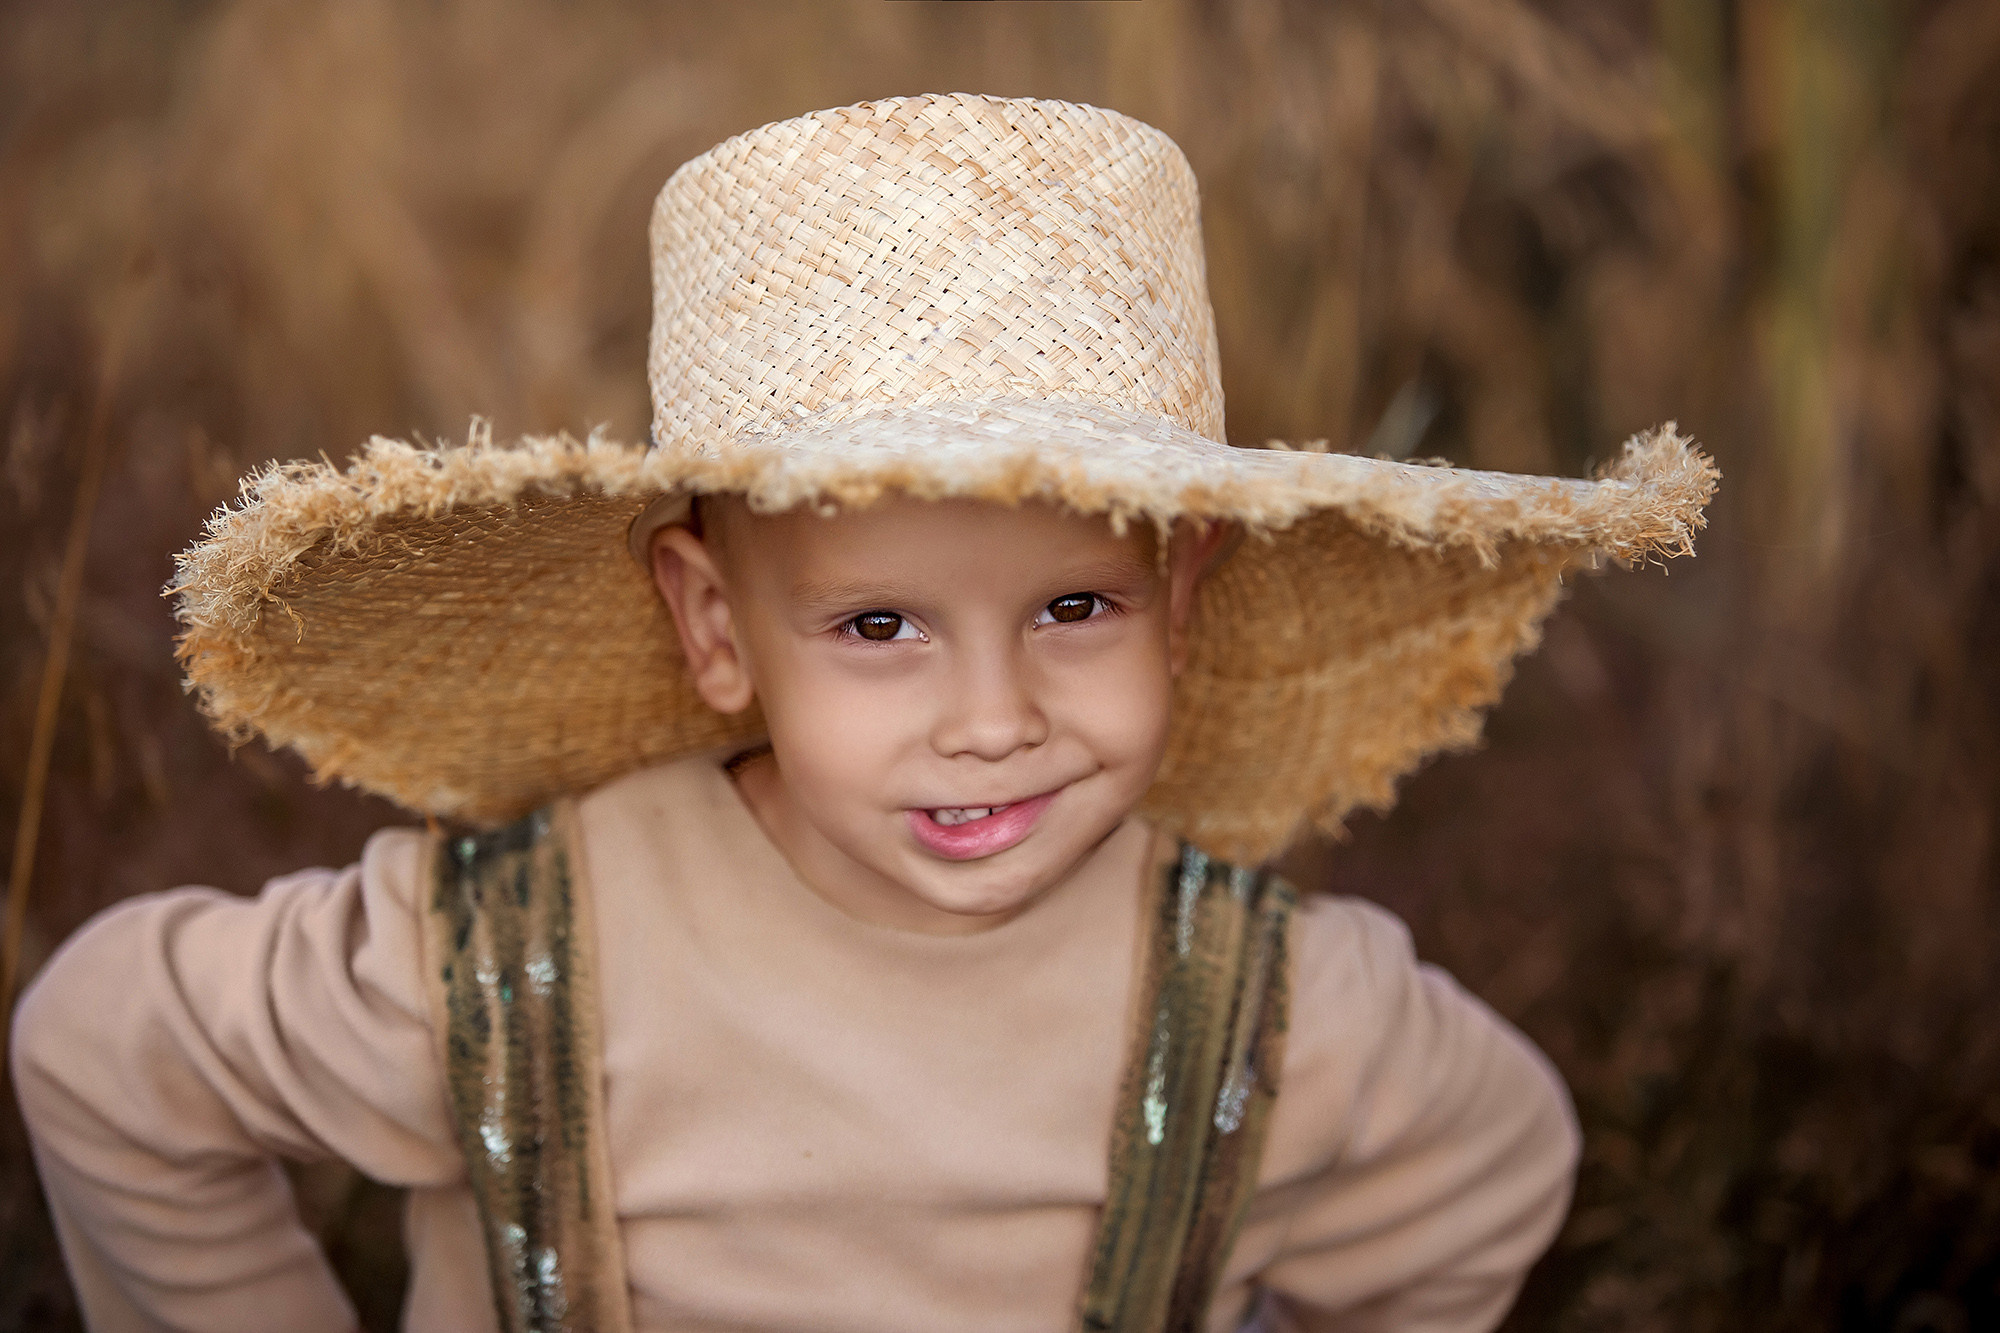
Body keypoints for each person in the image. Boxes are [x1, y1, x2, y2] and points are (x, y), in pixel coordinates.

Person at [11, 94, 1716, 1333]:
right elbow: (108, 1049)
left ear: (1184, 595)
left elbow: (1499, 1159)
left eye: (1075, 607)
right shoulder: (518, 954)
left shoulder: (1276, 1014)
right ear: (714, 625)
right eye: (880, 623)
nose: (992, 717)